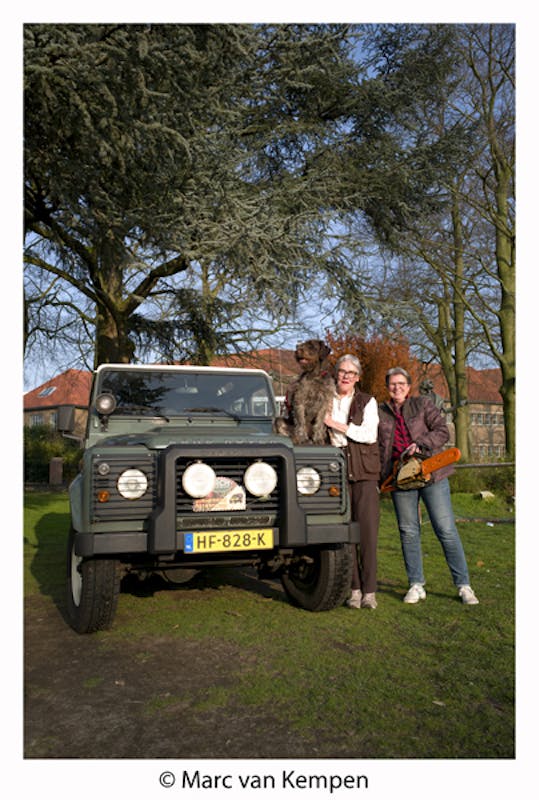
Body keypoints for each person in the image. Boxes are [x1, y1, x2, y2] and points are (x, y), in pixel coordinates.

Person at [378, 367, 479, 605]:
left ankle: (463, 585)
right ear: (387, 387)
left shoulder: (422, 404)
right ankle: (416, 584)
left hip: (432, 473)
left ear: (408, 386)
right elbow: (378, 447)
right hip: (401, 478)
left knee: (445, 529)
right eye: (392, 384)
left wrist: (420, 443)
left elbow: (442, 431)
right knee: (408, 531)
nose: (397, 387)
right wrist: (381, 477)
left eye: (401, 383)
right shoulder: (379, 412)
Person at [324, 355, 380, 609]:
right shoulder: (325, 399)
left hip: (364, 473)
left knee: (367, 533)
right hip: (335, 471)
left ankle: (370, 591)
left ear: (357, 378)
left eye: (351, 373)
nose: (346, 376)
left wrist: (335, 424)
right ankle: (354, 590)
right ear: (336, 374)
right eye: (342, 371)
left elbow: (369, 435)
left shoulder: (367, 401)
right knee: (345, 533)